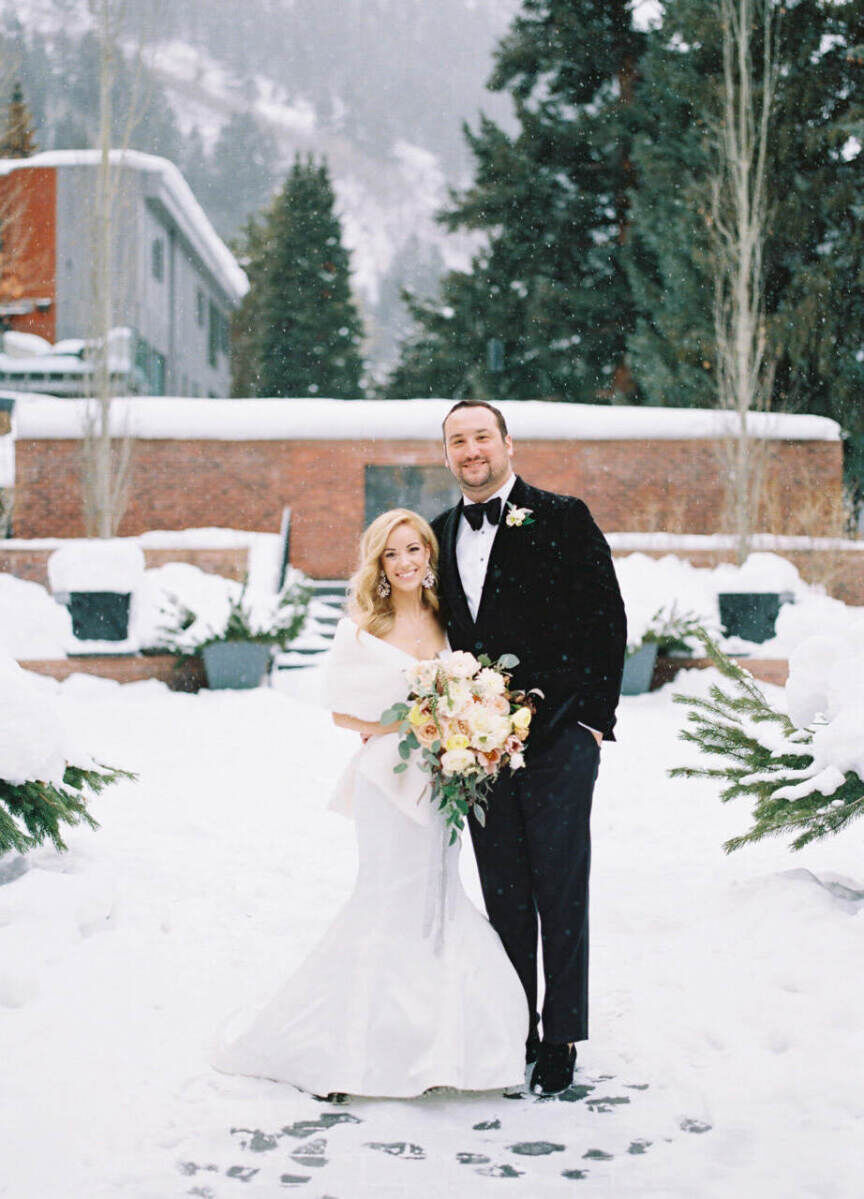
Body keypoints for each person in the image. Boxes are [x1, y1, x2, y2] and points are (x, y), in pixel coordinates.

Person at [212, 508, 528, 1098]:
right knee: (388, 898)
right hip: (389, 779)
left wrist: (466, 722)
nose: (406, 562)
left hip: (444, 781)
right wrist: (414, 719)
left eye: (415, 550)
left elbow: (476, 685)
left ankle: (444, 1051)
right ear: (379, 563)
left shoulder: (448, 616)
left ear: (429, 556)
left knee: (438, 897)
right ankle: (354, 1050)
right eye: (392, 554)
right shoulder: (364, 621)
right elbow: (341, 712)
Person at [431, 400, 627, 1097]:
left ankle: (563, 1034)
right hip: (477, 752)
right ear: (448, 454)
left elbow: (606, 616)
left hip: (559, 738)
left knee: (559, 887)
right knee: (504, 892)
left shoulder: (563, 517)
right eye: (458, 441)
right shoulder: (437, 533)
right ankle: (514, 1021)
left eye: (482, 436)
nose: (471, 449)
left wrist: (592, 722)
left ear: (508, 443)